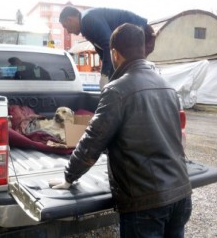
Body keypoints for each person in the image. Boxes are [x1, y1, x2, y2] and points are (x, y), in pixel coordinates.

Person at [49, 23, 192, 237]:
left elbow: (92, 141)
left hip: (146, 202)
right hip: (181, 194)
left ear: (114, 53)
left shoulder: (116, 91)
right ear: (143, 50)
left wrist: (70, 177)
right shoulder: (168, 87)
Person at [59, 6, 156, 88]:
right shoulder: (86, 25)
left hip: (143, 34)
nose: (68, 31)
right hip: (137, 37)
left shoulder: (87, 20)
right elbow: (104, 53)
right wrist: (106, 75)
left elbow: (108, 45)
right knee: (122, 75)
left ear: (69, 20)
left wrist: (105, 75)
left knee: (131, 75)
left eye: (65, 26)